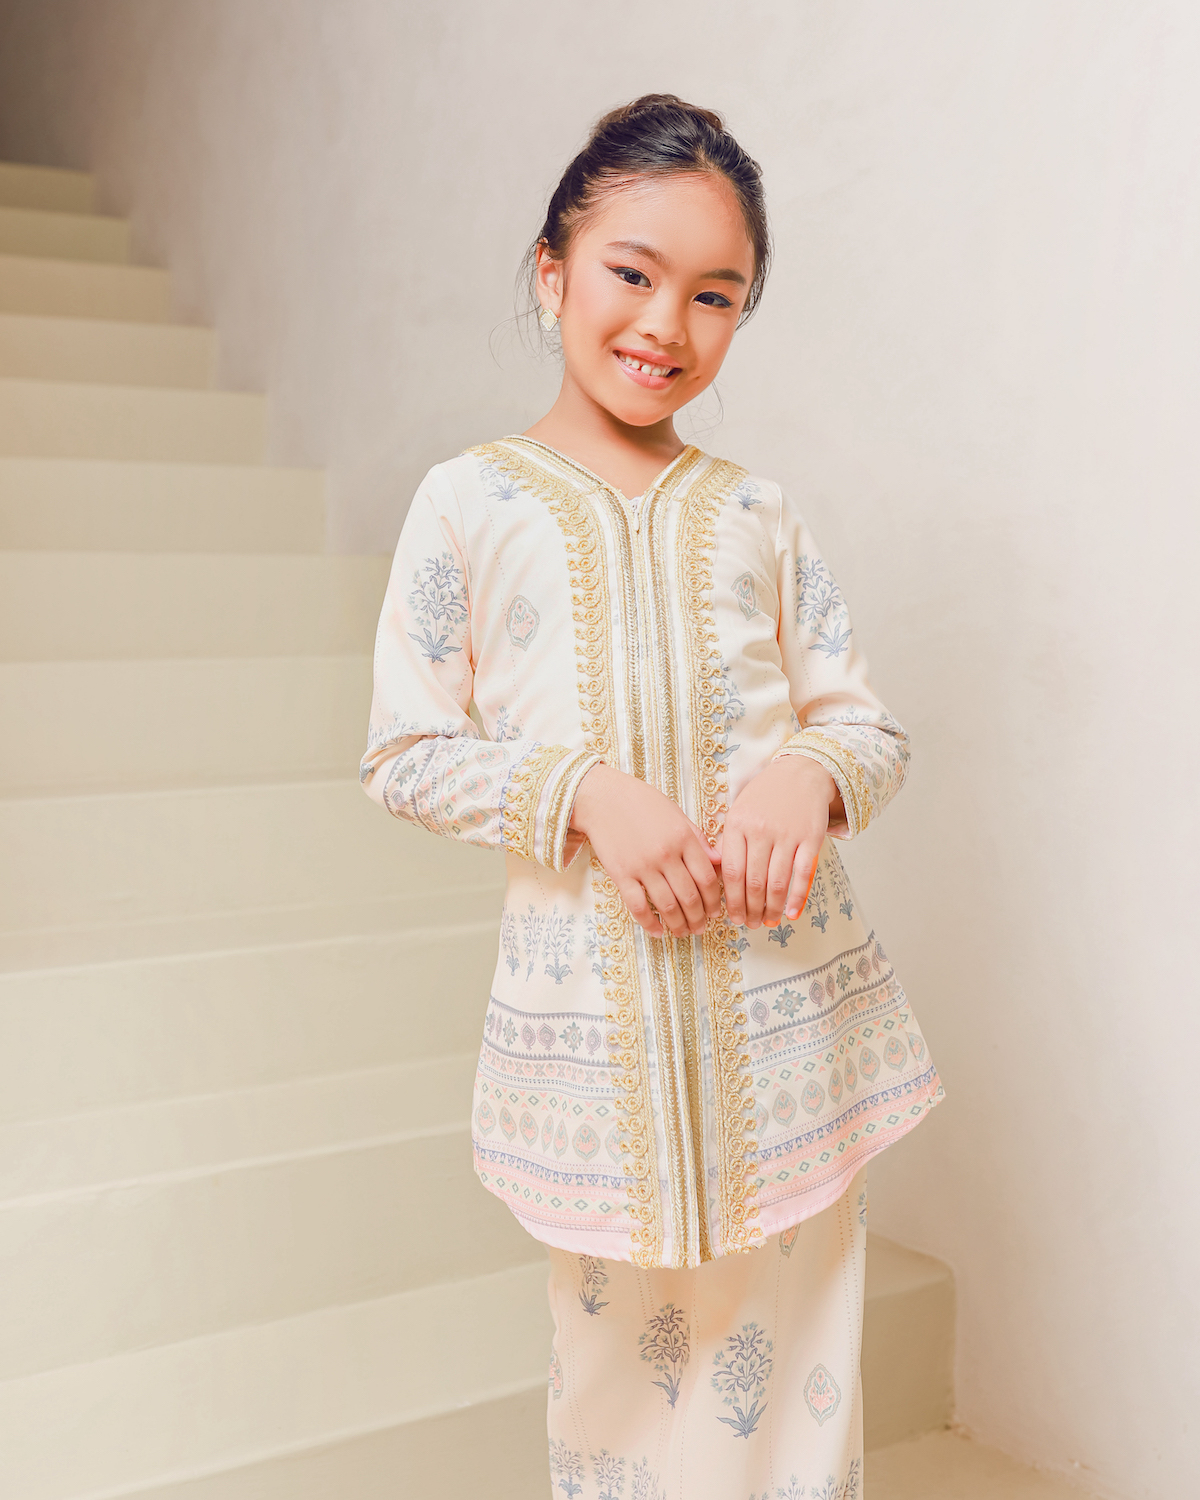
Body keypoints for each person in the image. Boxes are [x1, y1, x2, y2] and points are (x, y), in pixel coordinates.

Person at [361, 93, 942, 1500]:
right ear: (553, 268)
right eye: (633, 271)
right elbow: (403, 755)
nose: (667, 324)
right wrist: (580, 793)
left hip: (787, 1031)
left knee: (798, 1416)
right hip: (596, 1063)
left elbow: (867, 729)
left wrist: (811, 772)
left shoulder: (757, 514)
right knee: (619, 1415)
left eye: (716, 295)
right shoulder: (468, 504)